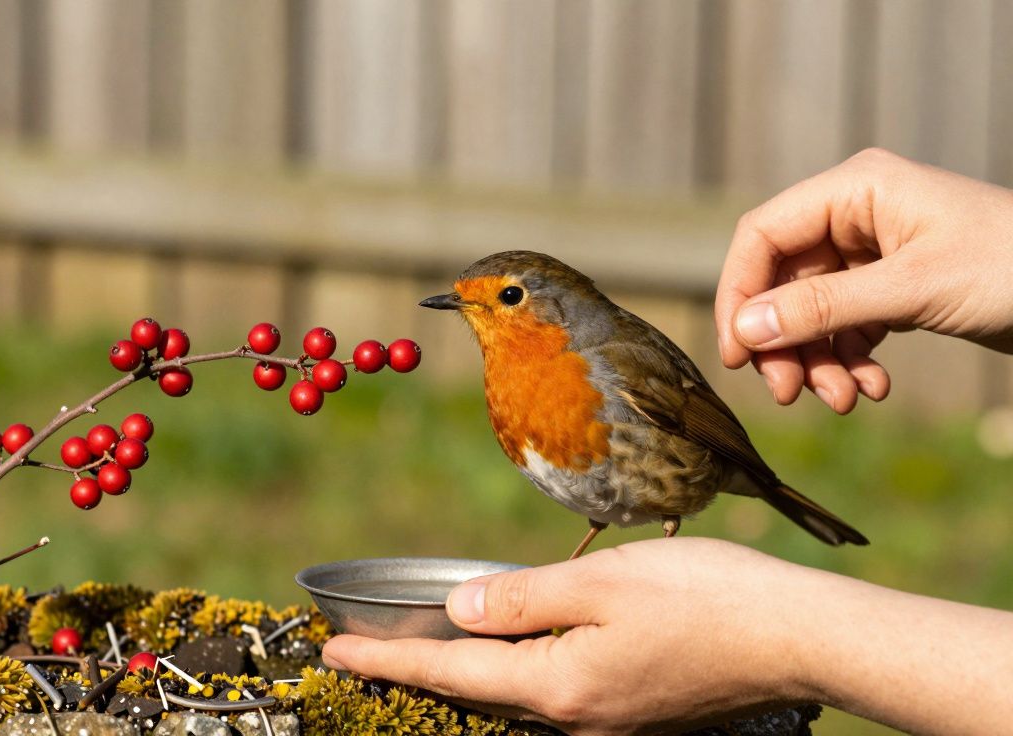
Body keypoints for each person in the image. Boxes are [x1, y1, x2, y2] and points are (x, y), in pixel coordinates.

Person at [320, 149, 1013, 735]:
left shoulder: (615, 361)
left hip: (687, 467)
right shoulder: (509, 378)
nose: (479, 310)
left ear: (556, 309)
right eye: (470, 299)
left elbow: (700, 422)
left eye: (506, 299)